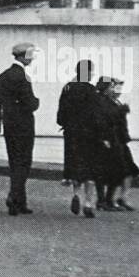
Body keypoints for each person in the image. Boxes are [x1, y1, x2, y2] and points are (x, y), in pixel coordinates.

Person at [0, 43, 40, 216]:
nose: (32, 58)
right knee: (24, 163)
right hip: (24, 125)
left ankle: (20, 200)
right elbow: (30, 103)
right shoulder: (23, 77)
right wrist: (37, 102)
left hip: (9, 125)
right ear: (23, 56)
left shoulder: (3, 76)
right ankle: (14, 197)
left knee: (14, 163)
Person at [57, 58, 109, 219]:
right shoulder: (92, 91)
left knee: (75, 166)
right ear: (89, 73)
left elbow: (60, 116)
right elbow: (98, 117)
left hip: (72, 135)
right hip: (89, 135)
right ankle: (88, 202)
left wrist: (67, 124)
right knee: (90, 170)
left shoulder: (67, 88)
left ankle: (75, 194)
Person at [98, 77, 139, 211]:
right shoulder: (102, 101)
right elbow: (106, 118)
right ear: (105, 88)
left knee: (128, 170)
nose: (117, 91)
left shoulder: (115, 101)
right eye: (114, 87)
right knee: (115, 171)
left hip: (119, 140)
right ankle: (106, 200)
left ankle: (121, 198)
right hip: (110, 140)